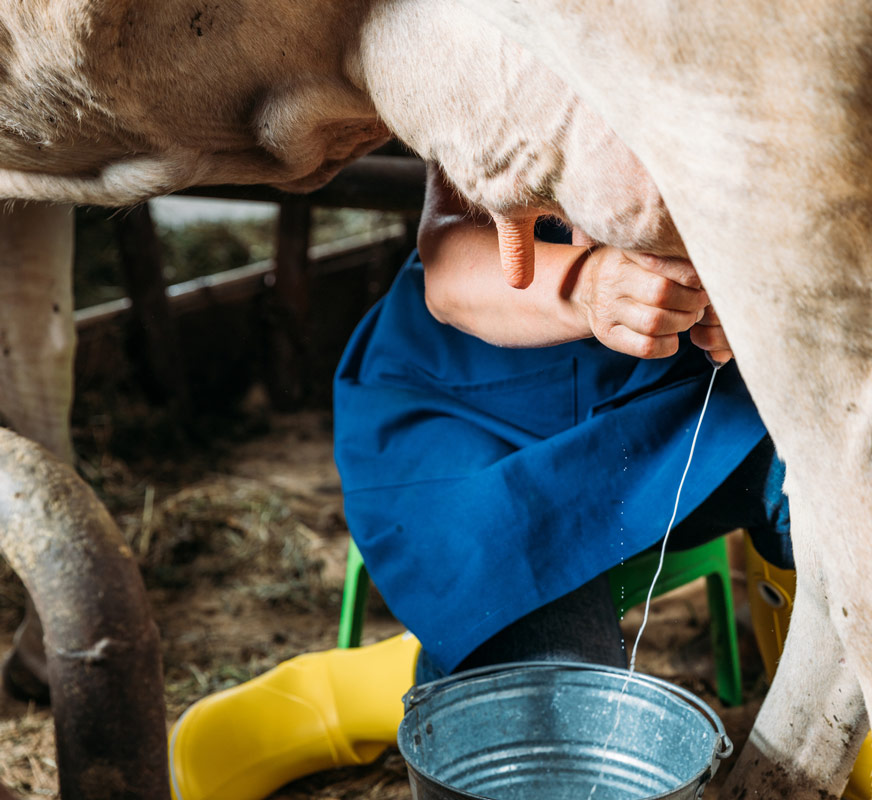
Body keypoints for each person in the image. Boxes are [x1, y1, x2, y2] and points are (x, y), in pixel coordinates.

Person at [167, 165, 793, 800]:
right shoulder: (519, 68)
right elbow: (449, 261)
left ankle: (829, 738)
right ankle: (363, 693)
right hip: (477, 395)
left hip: (682, 394)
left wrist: (756, 305)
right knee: (554, 749)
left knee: (834, 491)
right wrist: (587, 286)